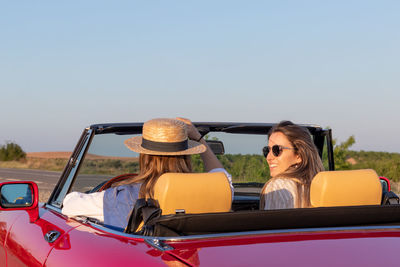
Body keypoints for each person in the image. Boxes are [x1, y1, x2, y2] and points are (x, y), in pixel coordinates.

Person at [62, 117, 233, 231]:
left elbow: (69, 204)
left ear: (144, 156)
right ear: (186, 155)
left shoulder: (126, 196)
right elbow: (222, 178)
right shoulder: (213, 193)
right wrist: (199, 138)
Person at [260, 121, 324, 210]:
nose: (268, 157)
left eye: (276, 150)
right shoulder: (322, 187)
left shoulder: (277, 186)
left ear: (299, 155)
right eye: (267, 150)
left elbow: (272, 223)